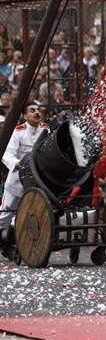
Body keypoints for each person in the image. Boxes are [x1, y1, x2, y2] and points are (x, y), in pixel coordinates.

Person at [0, 101, 48, 258]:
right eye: (32, 110)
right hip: (16, 181)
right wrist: (17, 163)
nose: (36, 112)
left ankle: (9, 244)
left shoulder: (46, 130)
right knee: (5, 215)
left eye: (38, 110)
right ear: (25, 116)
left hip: (36, 182)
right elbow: (7, 154)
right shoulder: (19, 131)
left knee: (22, 215)